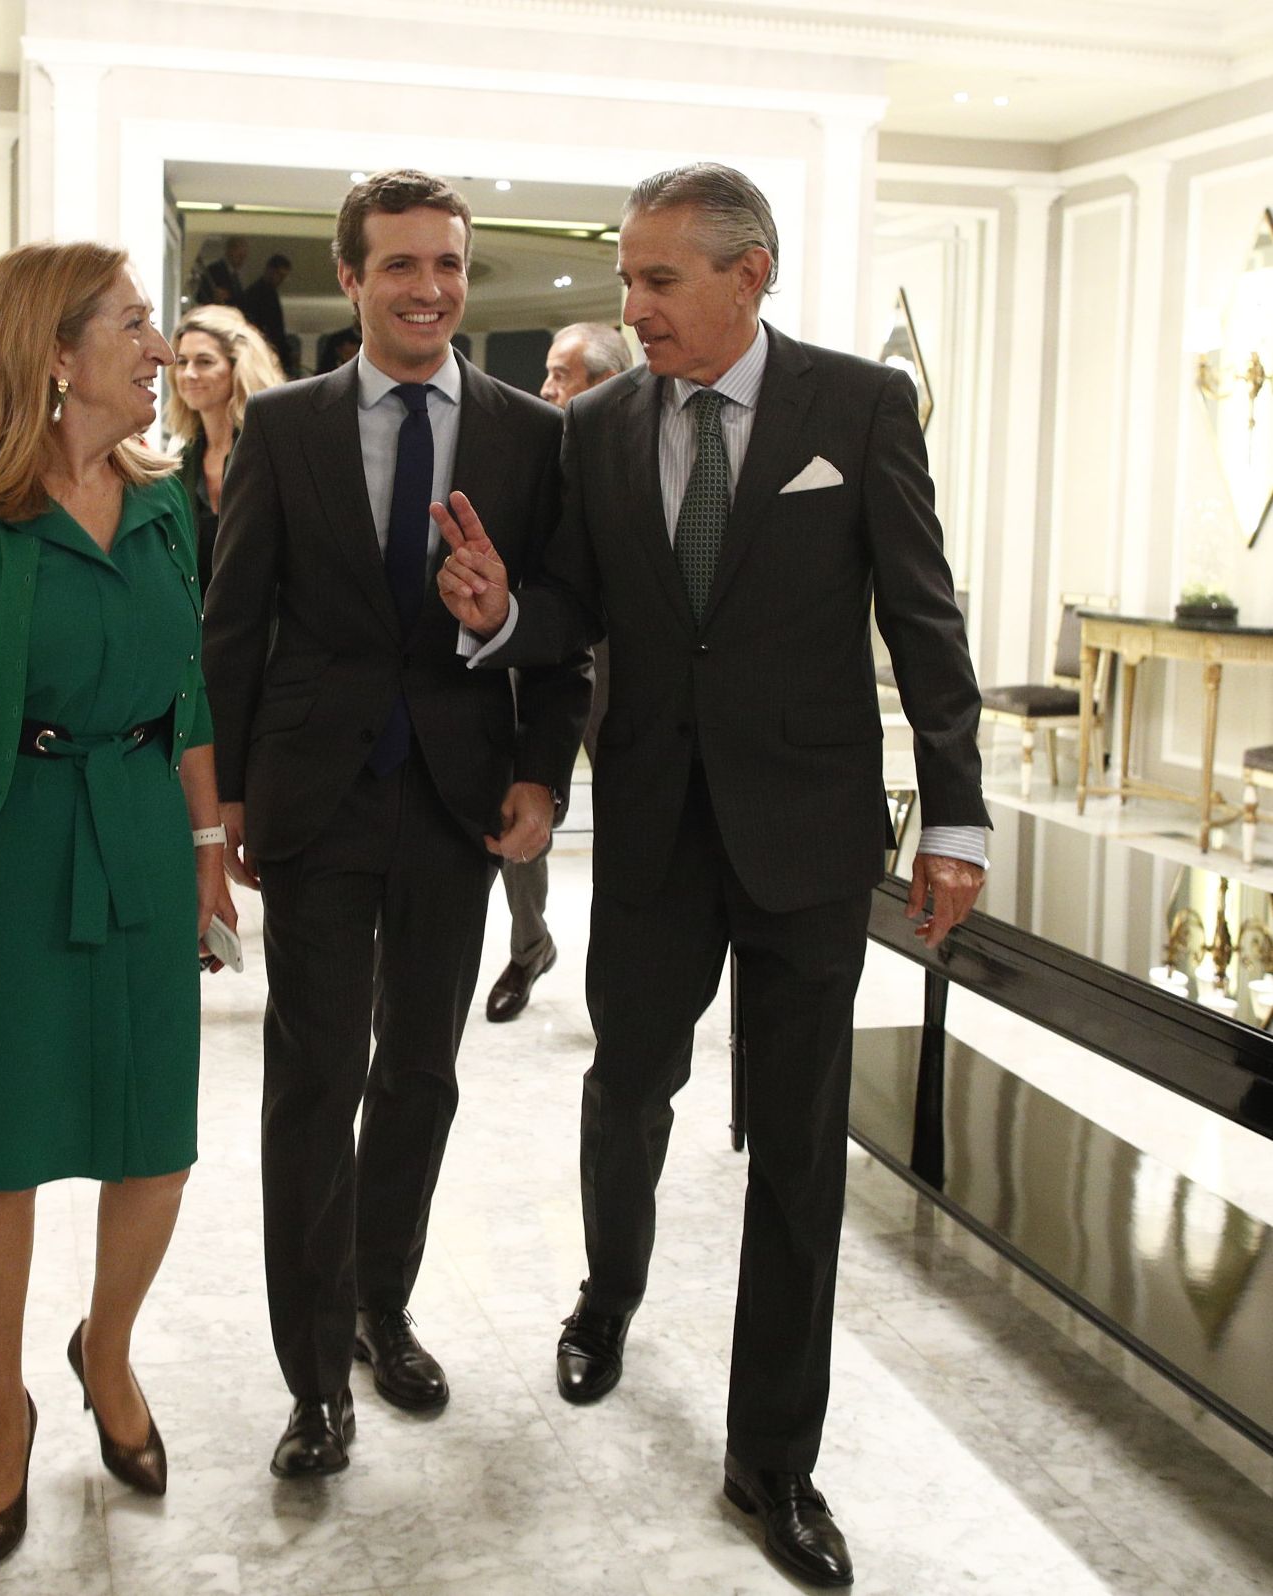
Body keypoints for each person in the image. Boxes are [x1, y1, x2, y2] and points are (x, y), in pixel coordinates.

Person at [435, 162, 988, 1588]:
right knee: (628, 1086)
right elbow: (582, 612)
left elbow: (925, 619)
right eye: (626, 277)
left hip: (809, 837)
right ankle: (607, 1297)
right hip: (662, 829)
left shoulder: (858, 411)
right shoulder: (600, 426)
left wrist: (958, 817)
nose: (634, 306)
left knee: (799, 1151)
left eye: (661, 279)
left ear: (753, 276)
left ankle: (773, 1463)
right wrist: (507, 614)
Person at [203, 170, 590, 1478]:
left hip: (453, 798)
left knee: (419, 1072)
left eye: (450, 265)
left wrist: (542, 770)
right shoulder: (286, 424)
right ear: (355, 277)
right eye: (403, 266)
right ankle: (314, 1382)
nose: (431, 288)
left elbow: (561, 629)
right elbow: (236, 622)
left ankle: (379, 1305)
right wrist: (229, 804)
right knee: (312, 1085)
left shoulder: (533, 436)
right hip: (316, 796)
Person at [0, 241, 233, 1570]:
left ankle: (108, 1354)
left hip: (136, 826)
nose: (161, 348)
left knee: (156, 1138)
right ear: (56, 351)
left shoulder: (162, 497)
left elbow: (186, 684)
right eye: (137, 325)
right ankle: (1, 1405)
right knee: (4, 1150)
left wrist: (204, 836)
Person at [486, 321, 634, 1023]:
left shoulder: (647, 450)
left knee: (632, 829)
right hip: (542, 650)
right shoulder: (534, 448)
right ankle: (529, 948)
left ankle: (623, 983)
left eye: (561, 375)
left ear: (606, 385)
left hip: (626, 669)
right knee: (524, 798)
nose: (545, 388)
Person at [162, 304, 285, 594]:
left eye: (204, 361)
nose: (189, 373)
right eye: (182, 362)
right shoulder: (180, 463)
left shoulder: (271, 452)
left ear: (238, 367)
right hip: (200, 627)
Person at [238, 254, 297, 376]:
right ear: (269, 270)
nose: (280, 280)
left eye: (283, 277)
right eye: (279, 275)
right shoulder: (257, 294)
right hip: (262, 349)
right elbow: (271, 328)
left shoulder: (264, 292)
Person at [197, 235, 249, 306]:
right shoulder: (214, 270)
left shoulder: (235, 276)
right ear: (229, 251)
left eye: (244, 257)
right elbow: (200, 296)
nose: (242, 260)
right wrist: (214, 296)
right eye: (239, 256)